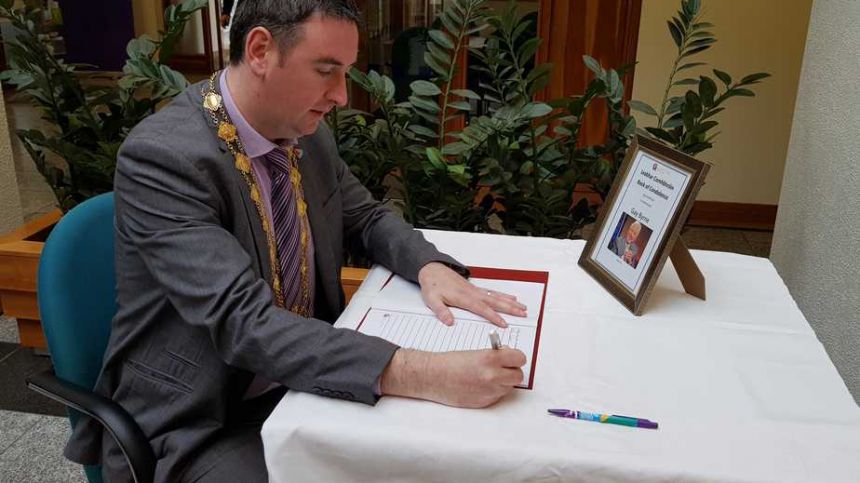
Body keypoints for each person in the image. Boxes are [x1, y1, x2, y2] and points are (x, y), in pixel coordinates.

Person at [63, 1, 528, 482]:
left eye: (346, 72)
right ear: (261, 50)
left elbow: (365, 216)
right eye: (326, 71)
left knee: (444, 456)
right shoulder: (165, 158)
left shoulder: (305, 131)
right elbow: (244, 322)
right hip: (205, 418)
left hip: (303, 383)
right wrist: (423, 373)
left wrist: (429, 267)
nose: (342, 96)